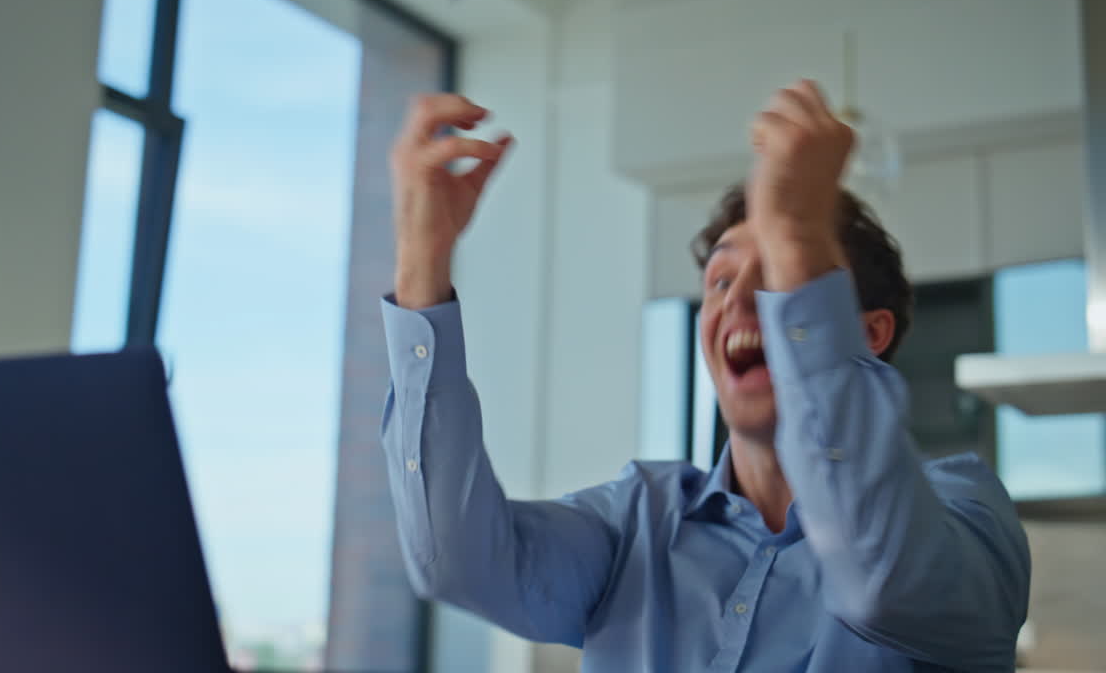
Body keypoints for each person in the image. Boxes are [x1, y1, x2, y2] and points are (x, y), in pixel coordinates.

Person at [378, 81, 1030, 671]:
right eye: (720, 280)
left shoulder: (966, 513)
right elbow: (456, 563)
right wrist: (420, 266)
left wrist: (800, 233)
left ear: (868, 331)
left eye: (775, 274)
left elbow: (887, 582)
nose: (737, 301)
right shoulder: (635, 519)